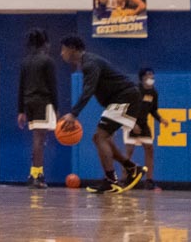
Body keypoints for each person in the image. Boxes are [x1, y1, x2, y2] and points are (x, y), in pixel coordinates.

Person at [58, 35, 146, 192]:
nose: (61, 53)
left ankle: (111, 181)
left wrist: (73, 114)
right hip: (123, 99)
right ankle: (131, 168)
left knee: (100, 137)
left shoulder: (89, 63)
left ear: (72, 49)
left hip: (125, 97)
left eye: (63, 49)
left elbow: (88, 90)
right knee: (101, 138)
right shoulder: (88, 62)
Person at [16, 28, 59, 188]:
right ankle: (36, 175)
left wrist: (21, 111)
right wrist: (56, 107)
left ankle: (35, 173)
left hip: (29, 103)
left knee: (38, 139)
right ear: (45, 43)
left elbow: (21, 87)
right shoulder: (48, 61)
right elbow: (52, 86)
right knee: (39, 140)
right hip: (43, 102)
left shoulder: (25, 62)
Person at [127, 67, 167, 188]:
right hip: (131, 122)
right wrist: (133, 124)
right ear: (142, 78)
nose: (151, 77)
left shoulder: (153, 93)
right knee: (129, 152)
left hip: (143, 124)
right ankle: (124, 179)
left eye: (152, 75)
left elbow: (153, 110)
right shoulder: (135, 91)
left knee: (150, 149)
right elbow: (127, 109)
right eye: (148, 75)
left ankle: (149, 180)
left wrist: (161, 119)